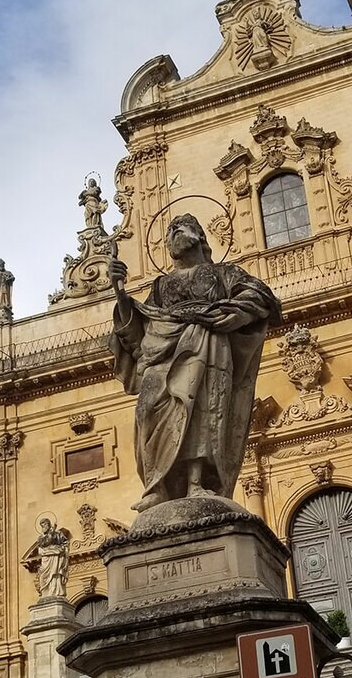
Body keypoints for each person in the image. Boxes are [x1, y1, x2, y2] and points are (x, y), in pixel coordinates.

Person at [109, 214, 281, 511]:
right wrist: (120, 293)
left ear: (200, 237)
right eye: (169, 231)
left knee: (202, 411)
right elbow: (139, 329)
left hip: (208, 345)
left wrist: (226, 314)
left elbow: (260, 296)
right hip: (163, 350)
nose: (173, 233)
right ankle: (156, 485)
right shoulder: (161, 286)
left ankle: (196, 482)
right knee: (147, 409)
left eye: (181, 227)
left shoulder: (223, 273)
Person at [29, 517, 70, 597]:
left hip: (56, 557)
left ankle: (56, 591)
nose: (44, 526)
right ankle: (47, 592)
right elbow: (44, 543)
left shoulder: (58, 534)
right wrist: (52, 532)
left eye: (45, 524)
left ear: (49, 524)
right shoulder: (41, 538)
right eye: (42, 525)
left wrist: (62, 550)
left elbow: (65, 542)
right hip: (46, 558)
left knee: (56, 574)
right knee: (44, 576)